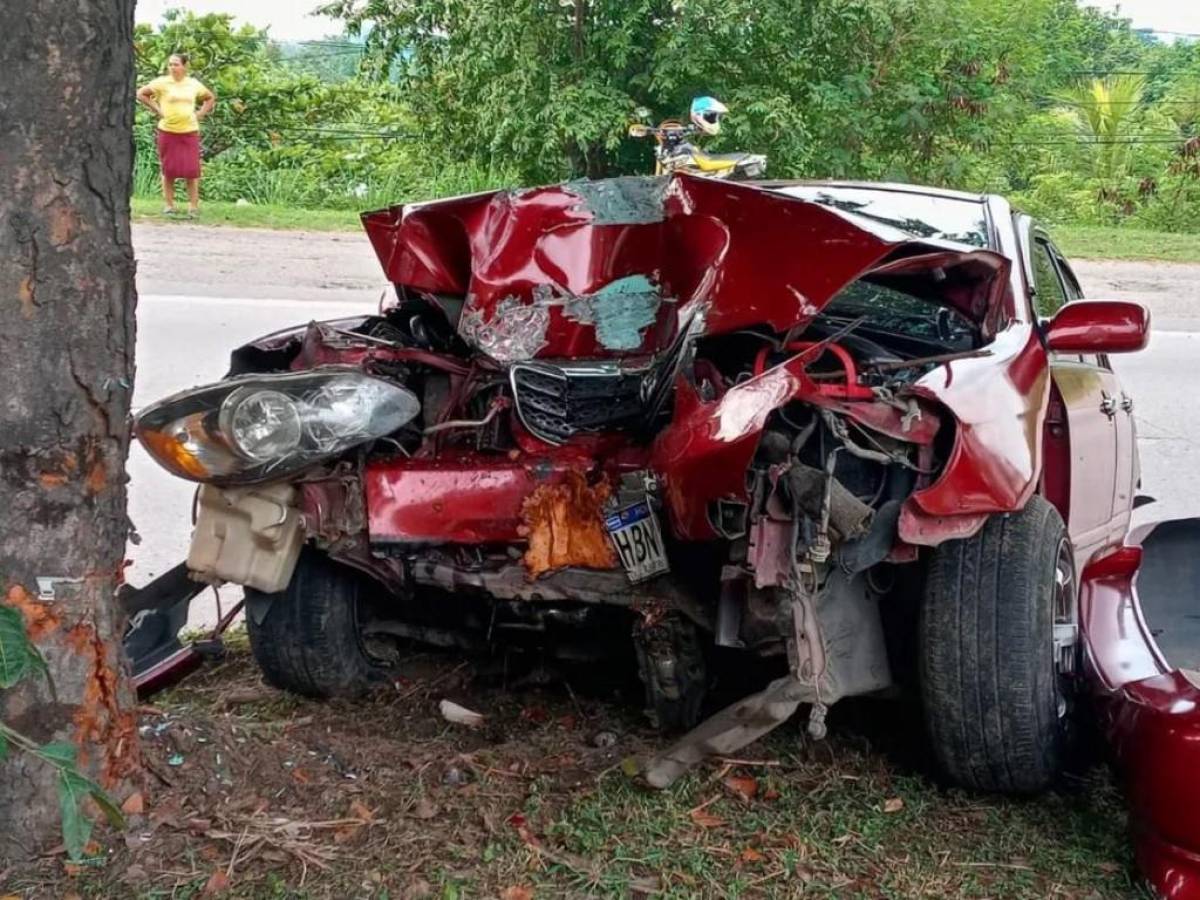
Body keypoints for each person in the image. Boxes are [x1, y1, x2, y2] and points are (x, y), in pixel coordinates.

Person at [136, 53, 215, 218]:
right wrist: (157, 110)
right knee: (168, 170)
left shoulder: (193, 84)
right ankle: (169, 205)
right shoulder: (161, 83)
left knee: (191, 170)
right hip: (168, 131)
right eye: (170, 64)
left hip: (189, 131)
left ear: (185, 66)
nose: (172, 67)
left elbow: (209, 98)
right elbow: (141, 94)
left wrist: (200, 114)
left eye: (176, 64)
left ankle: (193, 207)